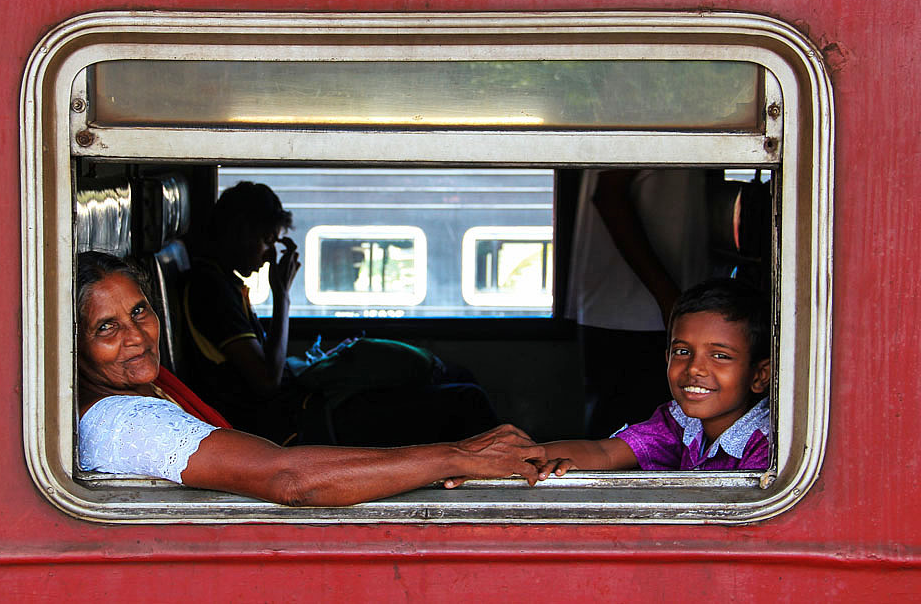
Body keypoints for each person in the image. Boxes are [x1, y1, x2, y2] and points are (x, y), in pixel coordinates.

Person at [75, 251, 545, 506]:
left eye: (139, 312)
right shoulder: (126, 422)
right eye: (106, 328)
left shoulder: (145, 387)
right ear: (72, 342)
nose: (136, 336)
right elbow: (289, 479)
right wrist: (456, 456)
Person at [181, 181, 498, 446]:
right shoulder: (211, 291)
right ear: (239, 231)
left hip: (303, 406)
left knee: (457, 377)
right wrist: (283, 297)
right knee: (466, 399)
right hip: (291, 422)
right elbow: (266, 381)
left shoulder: (223, 284)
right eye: (266, 242)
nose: (268, 257)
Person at [537, 278, 771, 474]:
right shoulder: (681, 422)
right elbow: (606, 453)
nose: (694, 368)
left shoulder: (766, 446)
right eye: (682, 352)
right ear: (667, 356)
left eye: (720, 356)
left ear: (760, 376)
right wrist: (531, 454)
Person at [565, 169, 712, 438]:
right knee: (630, 441)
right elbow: (609, 196)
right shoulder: (649, 125)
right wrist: (669, 299)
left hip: (641, 311)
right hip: (637, 313)